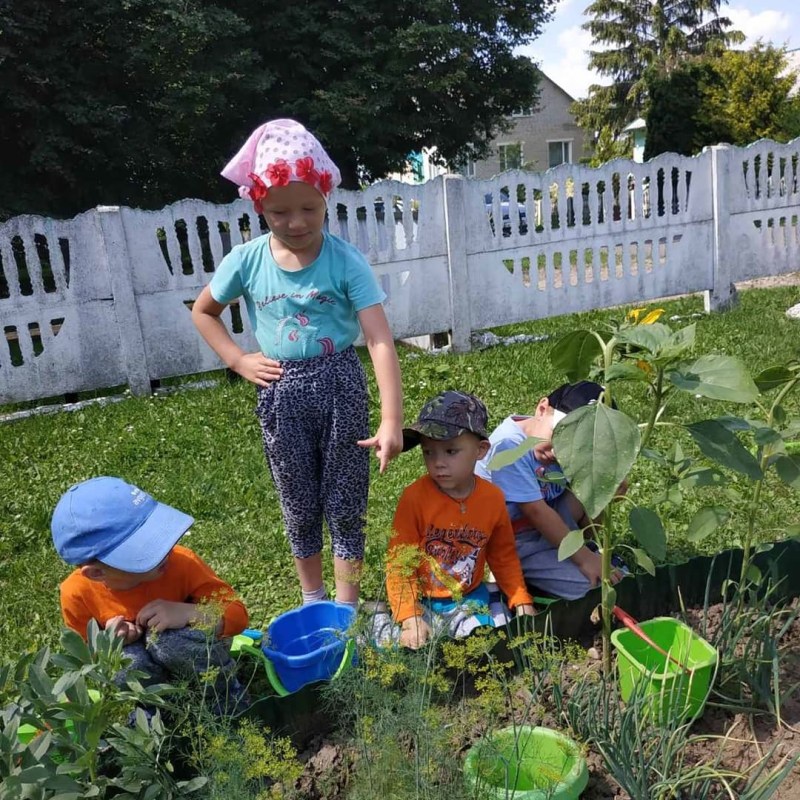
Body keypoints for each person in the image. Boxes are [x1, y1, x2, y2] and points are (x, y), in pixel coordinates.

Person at [191, 119, 403, 610]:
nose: (297, 222)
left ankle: (346, 609)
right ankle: (313, 600)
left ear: (327, 196)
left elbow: (379, 340)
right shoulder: (245, 261)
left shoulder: (346, 261)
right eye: (279, 211)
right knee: (298, 503)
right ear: (258, 204)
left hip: (341, 390)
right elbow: (204, 312)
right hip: (281, 393)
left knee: (347, 501)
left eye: (309, 208)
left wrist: (391, 419)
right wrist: (237, 358)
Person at [52, 476, 249, 711]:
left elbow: (238, 616)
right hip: (147, 675)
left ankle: (223, 696)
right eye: (145, 549)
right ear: (96, 573)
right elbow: (86, 658)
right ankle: (158, 712)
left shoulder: (181, 562)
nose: (163, 551)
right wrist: (107, 643)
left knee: (169, 642)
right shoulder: (76, 594)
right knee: (124, 663)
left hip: (194, 657)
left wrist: (190, 612)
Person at [381, 391, 535, 650]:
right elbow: (399, 562)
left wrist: (520, 598)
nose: (438, 463)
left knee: (487, 642)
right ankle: (387, 620)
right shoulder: (414, 499)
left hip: (469, 598)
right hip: (423, 600)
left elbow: (503, 556)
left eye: (450, 451)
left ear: (481, 450)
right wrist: (410, 617)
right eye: (428, 452)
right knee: (406, 648)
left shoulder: (492, 499)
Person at [475, 381, 625, 601]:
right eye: (560, 436)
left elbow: (584, 512)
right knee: (592, 589)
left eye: (578, 445)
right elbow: (535, 511)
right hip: (515, 540)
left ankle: (577, 555)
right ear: (542, 409)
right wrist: (585, 560)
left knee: (599, 485)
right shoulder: (510, 446)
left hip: (551, 525)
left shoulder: (555, 448)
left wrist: (607, 494)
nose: (560, 452)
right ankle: (522, 580)